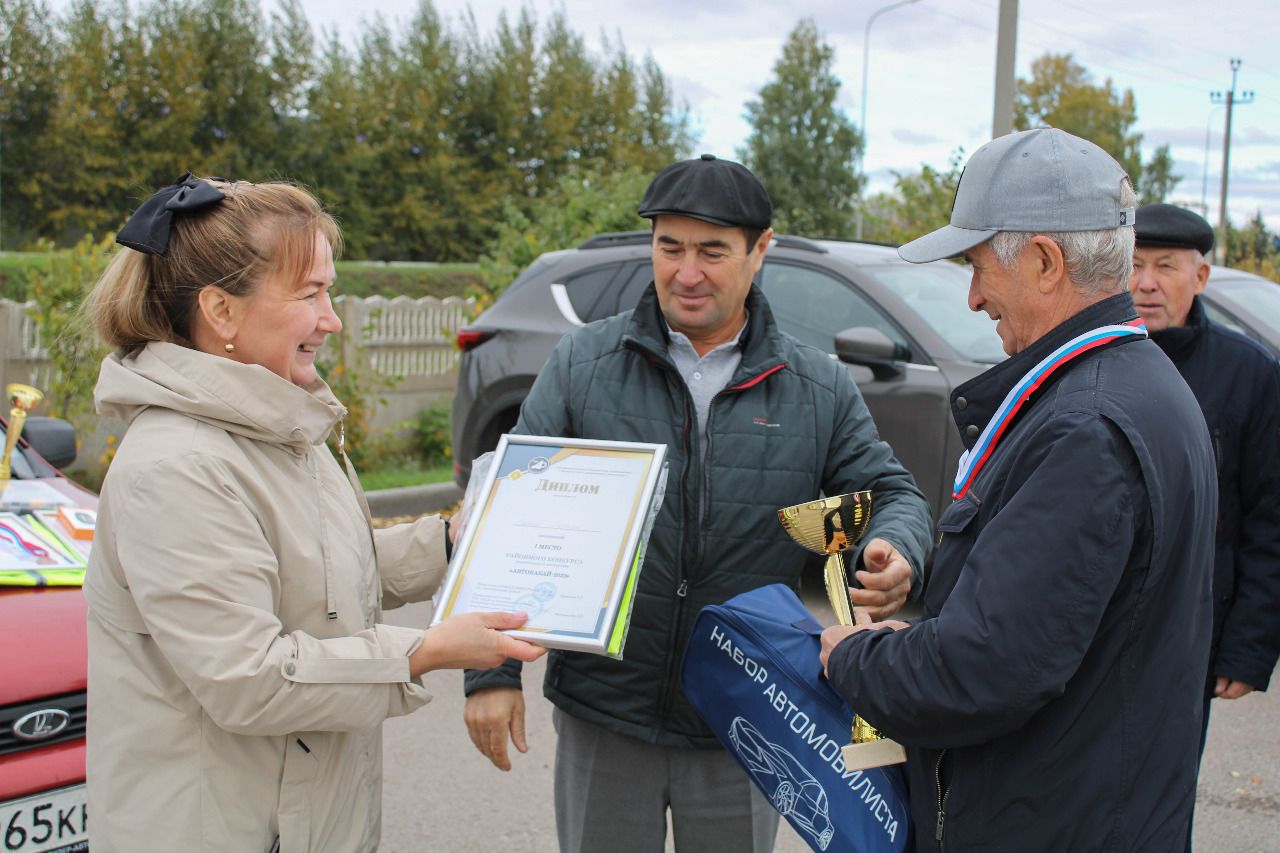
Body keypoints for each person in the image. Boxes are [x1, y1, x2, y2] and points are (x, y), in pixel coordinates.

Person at [462, 154, 933, 852]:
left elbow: (892, 493)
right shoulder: (583, 364)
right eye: (669, 247)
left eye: (712, 251)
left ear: (759, 251)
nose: (687, 272)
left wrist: (897, 549)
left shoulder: (815, 386)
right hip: (605, 708)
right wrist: (491, 671)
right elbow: (509, 515)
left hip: (741, 715)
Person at [81, 173, 545, 853]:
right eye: (310, 294)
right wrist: (424, 651)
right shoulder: (176, 466)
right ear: (222, 311)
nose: (331, 318)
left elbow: (323, 571)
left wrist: (452, 542)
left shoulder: (283, 427)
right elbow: (248, 676)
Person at [820, 128, 1218, 851]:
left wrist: (849, 653)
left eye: (977, 267)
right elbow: (1061, 626)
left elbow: (984, 670)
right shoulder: (1139, 385)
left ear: (1043, 261)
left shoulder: (1086, 425)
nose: (972, 297)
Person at [1131, 204, 1280, 815]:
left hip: (1191, 634)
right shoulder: (1088, 358)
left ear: (1201, 277)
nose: (1146, 283)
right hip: (1092, 626)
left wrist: (1248, 646)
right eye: (1134, 265)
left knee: (1161, 801)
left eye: (1165, 267)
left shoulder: (1248, 375)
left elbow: (1269, 519)